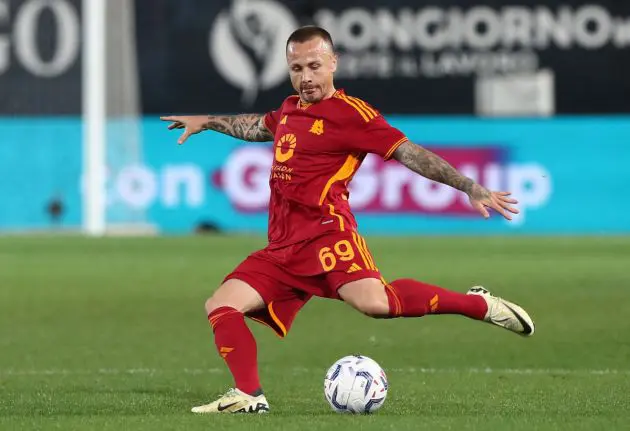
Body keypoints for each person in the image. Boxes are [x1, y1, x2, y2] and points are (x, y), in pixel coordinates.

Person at [161, 26, 534, 414]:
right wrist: (207, 120)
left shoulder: (353, 115)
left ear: (333, 63)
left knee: (377, 304)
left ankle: (476, 305)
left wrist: (467, 185)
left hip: (327, 236)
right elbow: (257, 126)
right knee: (221, 305)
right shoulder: (290, 109)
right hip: (282, 247)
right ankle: (249, 395)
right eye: (296, 68)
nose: (306, 77)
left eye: (315, 66)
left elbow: (409, 153)